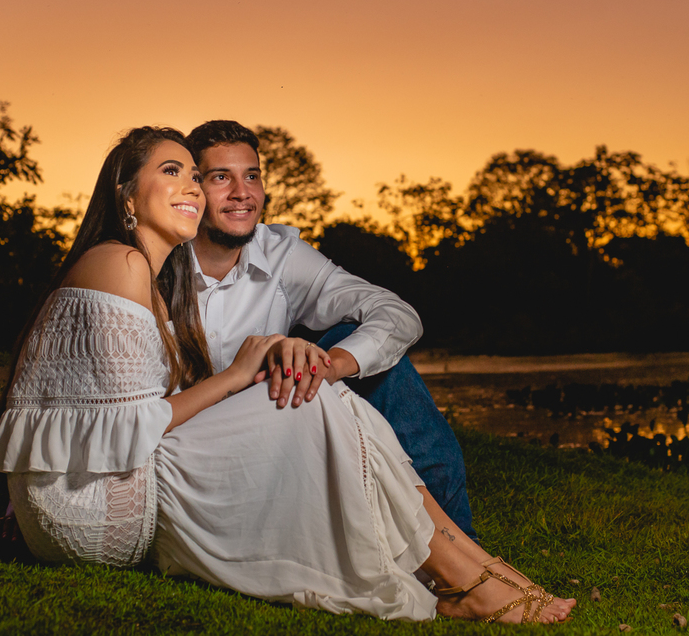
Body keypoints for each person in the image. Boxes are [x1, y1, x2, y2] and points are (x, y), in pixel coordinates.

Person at [0, 127, 575, 624]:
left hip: (157, 457)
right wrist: (244, 372)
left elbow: (86, 405)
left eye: (244, 177)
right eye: (202, 176)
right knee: (315, 399)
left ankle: (467, 566)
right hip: (125, 490)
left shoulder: (228, 260)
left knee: (328, 382)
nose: (224, 191)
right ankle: (468, 575)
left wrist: (328, 362)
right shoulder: (134, 264)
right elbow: (108, 411)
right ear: (127, 195)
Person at [185, 120, 475, 539]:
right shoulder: (157, 261)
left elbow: (396, 313)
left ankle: (461, 544)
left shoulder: (279, 254)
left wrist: (332, 365)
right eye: (220, 178)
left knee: (357, 350)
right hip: (189, 439)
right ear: (193, 188)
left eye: (251, 176)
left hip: (272, 425)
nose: (242, 192)